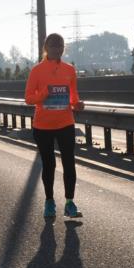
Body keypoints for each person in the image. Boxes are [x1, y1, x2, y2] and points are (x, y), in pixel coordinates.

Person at [24, 33, 85, 219]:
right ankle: (49, 202)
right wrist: (41, 96)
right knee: (49, 165)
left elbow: (73, 96)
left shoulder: (69, 70)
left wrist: (77, 104)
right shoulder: (37, 70)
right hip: (43, 126)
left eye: (60, 46)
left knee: (69, 163)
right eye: (53, 46)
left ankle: (69, 203)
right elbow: (28, 98)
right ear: (46, 48)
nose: (57, 49)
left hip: (65, 123)